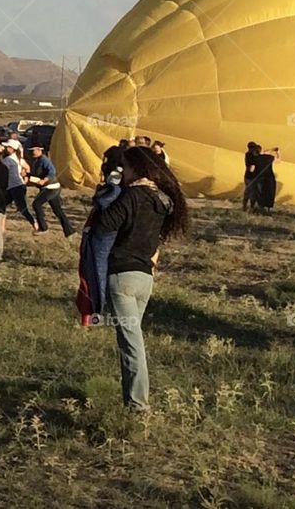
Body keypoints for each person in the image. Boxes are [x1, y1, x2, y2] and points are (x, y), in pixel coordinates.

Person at [92, 146, 189, 410]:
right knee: (132, 339)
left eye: (126, 166)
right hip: (144, 277)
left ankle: (137, 404)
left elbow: (103, 226)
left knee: (131, 343)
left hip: (121, 275)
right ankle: (133, 400)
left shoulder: (132, 196)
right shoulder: (163, 200)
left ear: (136, 168)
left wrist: (107, 194)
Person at [27, 146, 75, 236]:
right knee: (57, 210)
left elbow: (52, 171)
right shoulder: (36, 160)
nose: (32, 152)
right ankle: (69, 231)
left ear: (40, 150)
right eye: (31, 151)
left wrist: (44, 180)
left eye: (34, 150)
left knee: (36, 204)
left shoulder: (44, 160)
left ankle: (43, 228)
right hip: (49, 187)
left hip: (51, 188)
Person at [2, 142, 35, 229]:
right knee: (2, 205)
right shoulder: (19, 158)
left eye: (7, 147)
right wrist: (26, 179)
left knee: (22, 209)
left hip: (14, 186)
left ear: (12, 149)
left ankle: (35, 223)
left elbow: (1, 171)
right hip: (17, 185)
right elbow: (27, 167)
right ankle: (2, 226)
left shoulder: (8, 160)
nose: (5, 148)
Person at [249, 146, 280, 213]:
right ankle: (267, 210)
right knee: (269, 193)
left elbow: (251, 169)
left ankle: (258, 209)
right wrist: (277, 152)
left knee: (259, 193)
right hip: (269, 178)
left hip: (259, 178)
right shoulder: (269, 157)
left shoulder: (255, 158)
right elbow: (278, 160)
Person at [242, 141, 258, 211]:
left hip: (251, 176)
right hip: (250, 176)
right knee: (249, 192)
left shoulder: (251, 154)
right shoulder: (249, 155)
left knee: (252, 192)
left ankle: (250, 206)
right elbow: (251, 167)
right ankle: (246, 206)